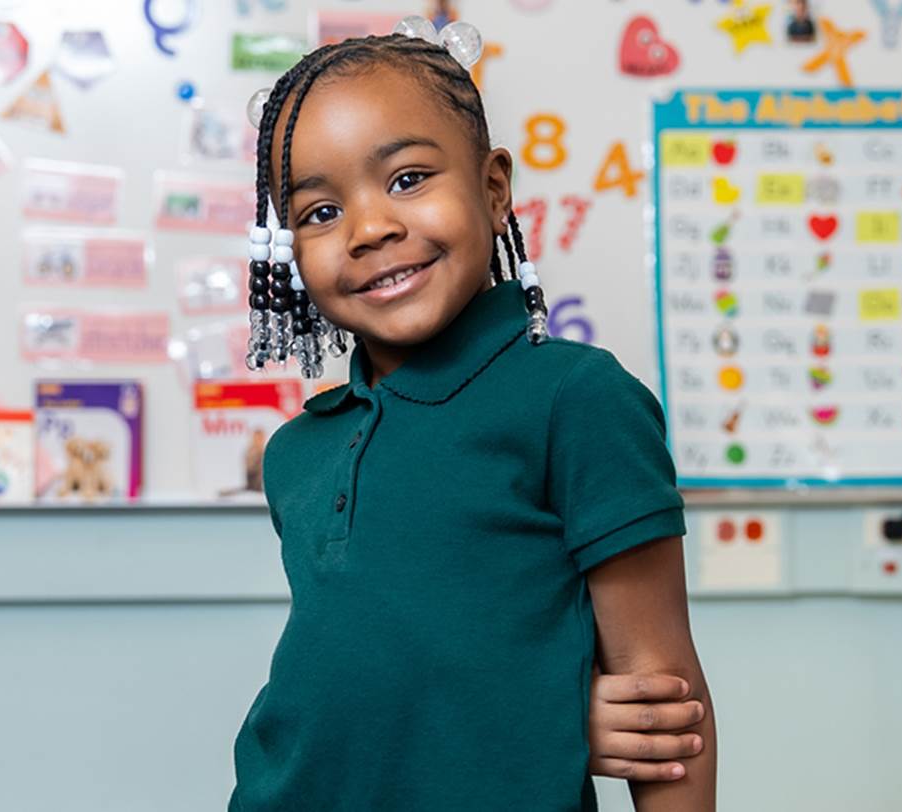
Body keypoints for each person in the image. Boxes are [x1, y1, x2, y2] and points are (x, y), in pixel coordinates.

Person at [231, 18, 716, 811]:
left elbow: (665, 716)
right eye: (319, 213)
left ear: (495, 191)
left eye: (408, 178)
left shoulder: (578, 400)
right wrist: (542, 712)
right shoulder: (297, 452)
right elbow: (367, 689)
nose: (370, 228)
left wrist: (540, 720)